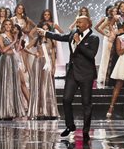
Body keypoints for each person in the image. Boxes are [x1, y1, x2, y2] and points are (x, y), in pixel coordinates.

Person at [40, 14, 100, 142]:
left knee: (86, 103)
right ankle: (70, 125)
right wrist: (46, 33)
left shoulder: (94, 38)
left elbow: (91, 55)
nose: (77, 24)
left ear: (88, 24)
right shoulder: (73, 33)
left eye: (80, 22)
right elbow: (61, 37)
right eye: (77, 22)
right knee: (66, 99)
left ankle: (85, 130)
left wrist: (79, 43)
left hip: (86, 74)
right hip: (73, 73)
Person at [0, 19, 28, 121]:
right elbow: (3, 50)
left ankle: (13, 110)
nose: (8, 26)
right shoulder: (0, 35)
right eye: (6, 24)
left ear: (11, 26)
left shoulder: (13, 35)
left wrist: (18, 40)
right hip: (5, 62)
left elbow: (17, 50)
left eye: (9, 24)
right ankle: (4, 110)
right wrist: (14, 42)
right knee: (5, 84)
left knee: (14, 84)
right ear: (3, 26)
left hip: (13, 60)